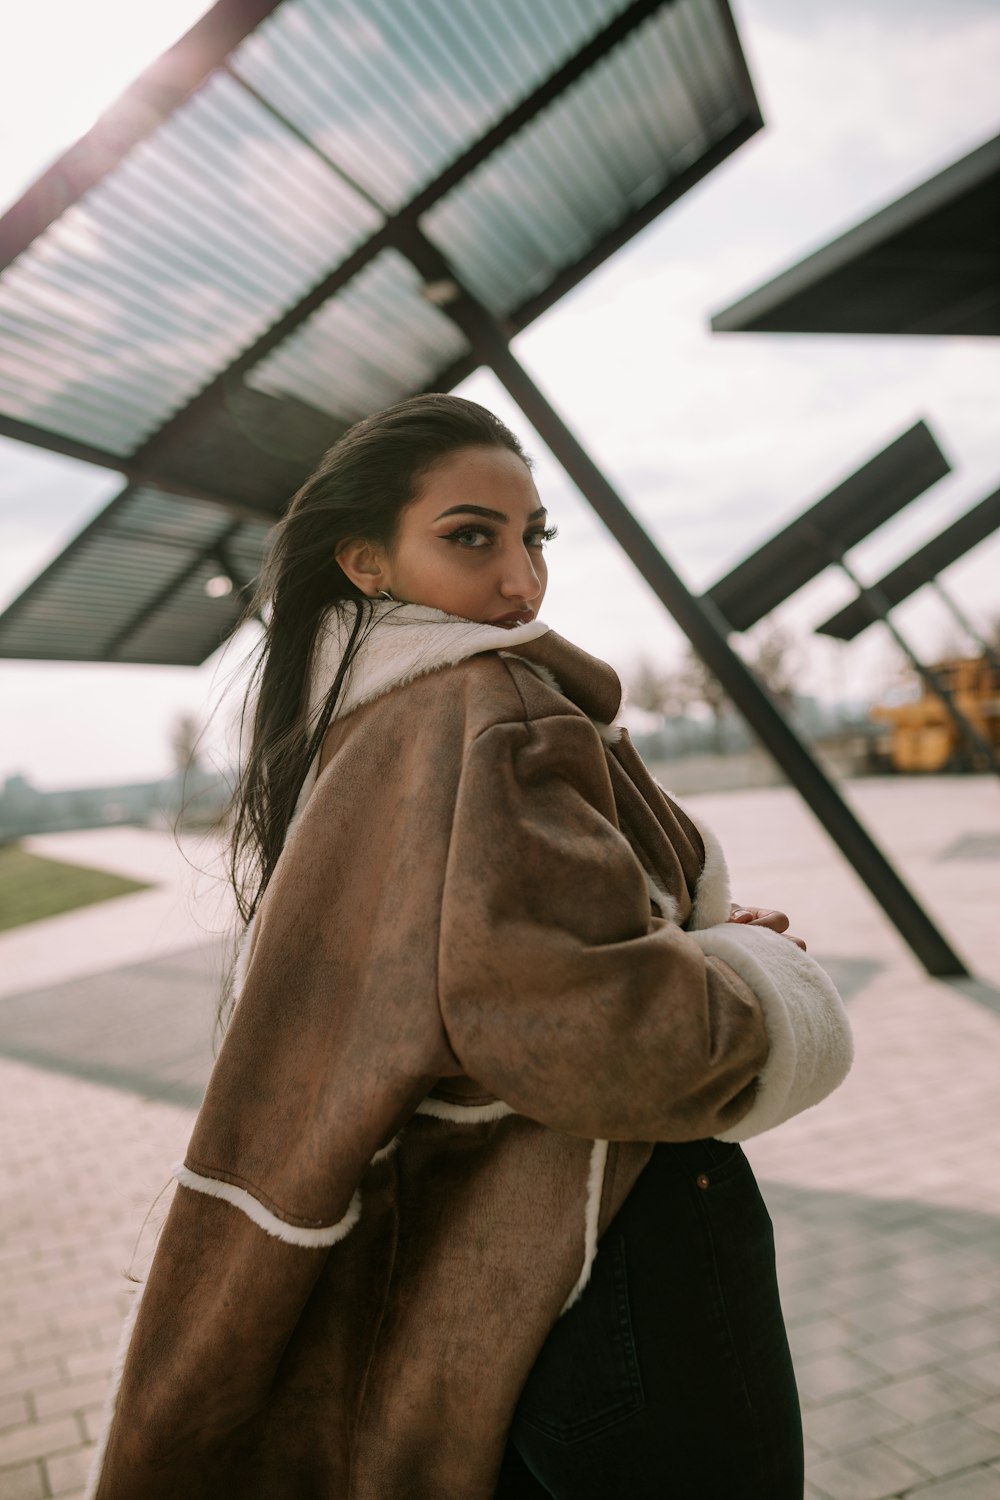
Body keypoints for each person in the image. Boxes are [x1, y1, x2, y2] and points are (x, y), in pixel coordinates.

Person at [86, 394, 852, 1500]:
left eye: (532, 536)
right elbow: (579, 1031)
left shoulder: (359, 725)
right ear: (364, 560)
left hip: (491, 1292)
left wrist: (675, 941)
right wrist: (758, 980)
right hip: (622, 1235)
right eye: (469, 536)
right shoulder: (489, 705)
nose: (518, 580)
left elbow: (471, 983)